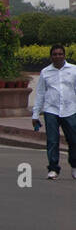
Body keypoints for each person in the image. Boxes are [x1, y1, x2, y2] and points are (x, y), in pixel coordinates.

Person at [31, 43, 76, 180]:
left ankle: (74, 166)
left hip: (70, 110)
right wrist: (35, 114)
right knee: (52, 140)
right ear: (51, 57)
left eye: (60, 54)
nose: (58, 56)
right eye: (55, 54)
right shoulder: (45, 72)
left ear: (64, 55)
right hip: (51, 110)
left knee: (74, 140)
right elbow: (40, 94)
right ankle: (53, 168)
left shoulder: (73, 70)